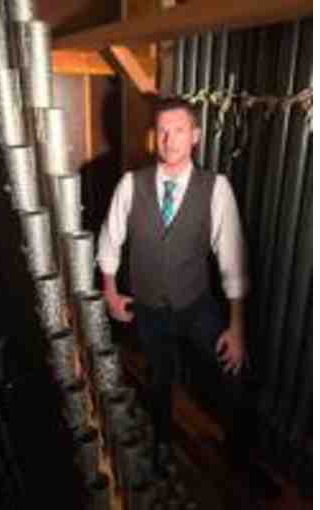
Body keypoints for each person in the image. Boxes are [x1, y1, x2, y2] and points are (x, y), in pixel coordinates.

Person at [96, 96, 249, 478]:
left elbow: (233, 260)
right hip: (149, 306)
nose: (170, 140)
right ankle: (162, 443)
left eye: (179, 130)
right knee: (160, 380)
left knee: (233, 369)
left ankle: (238, 451)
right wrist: (110, 292)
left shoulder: (216, 188)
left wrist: (236, 327)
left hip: (195, 304)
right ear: (155, 136)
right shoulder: (131, 185)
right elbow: (109, 241)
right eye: (163, 131)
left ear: (195, 135)